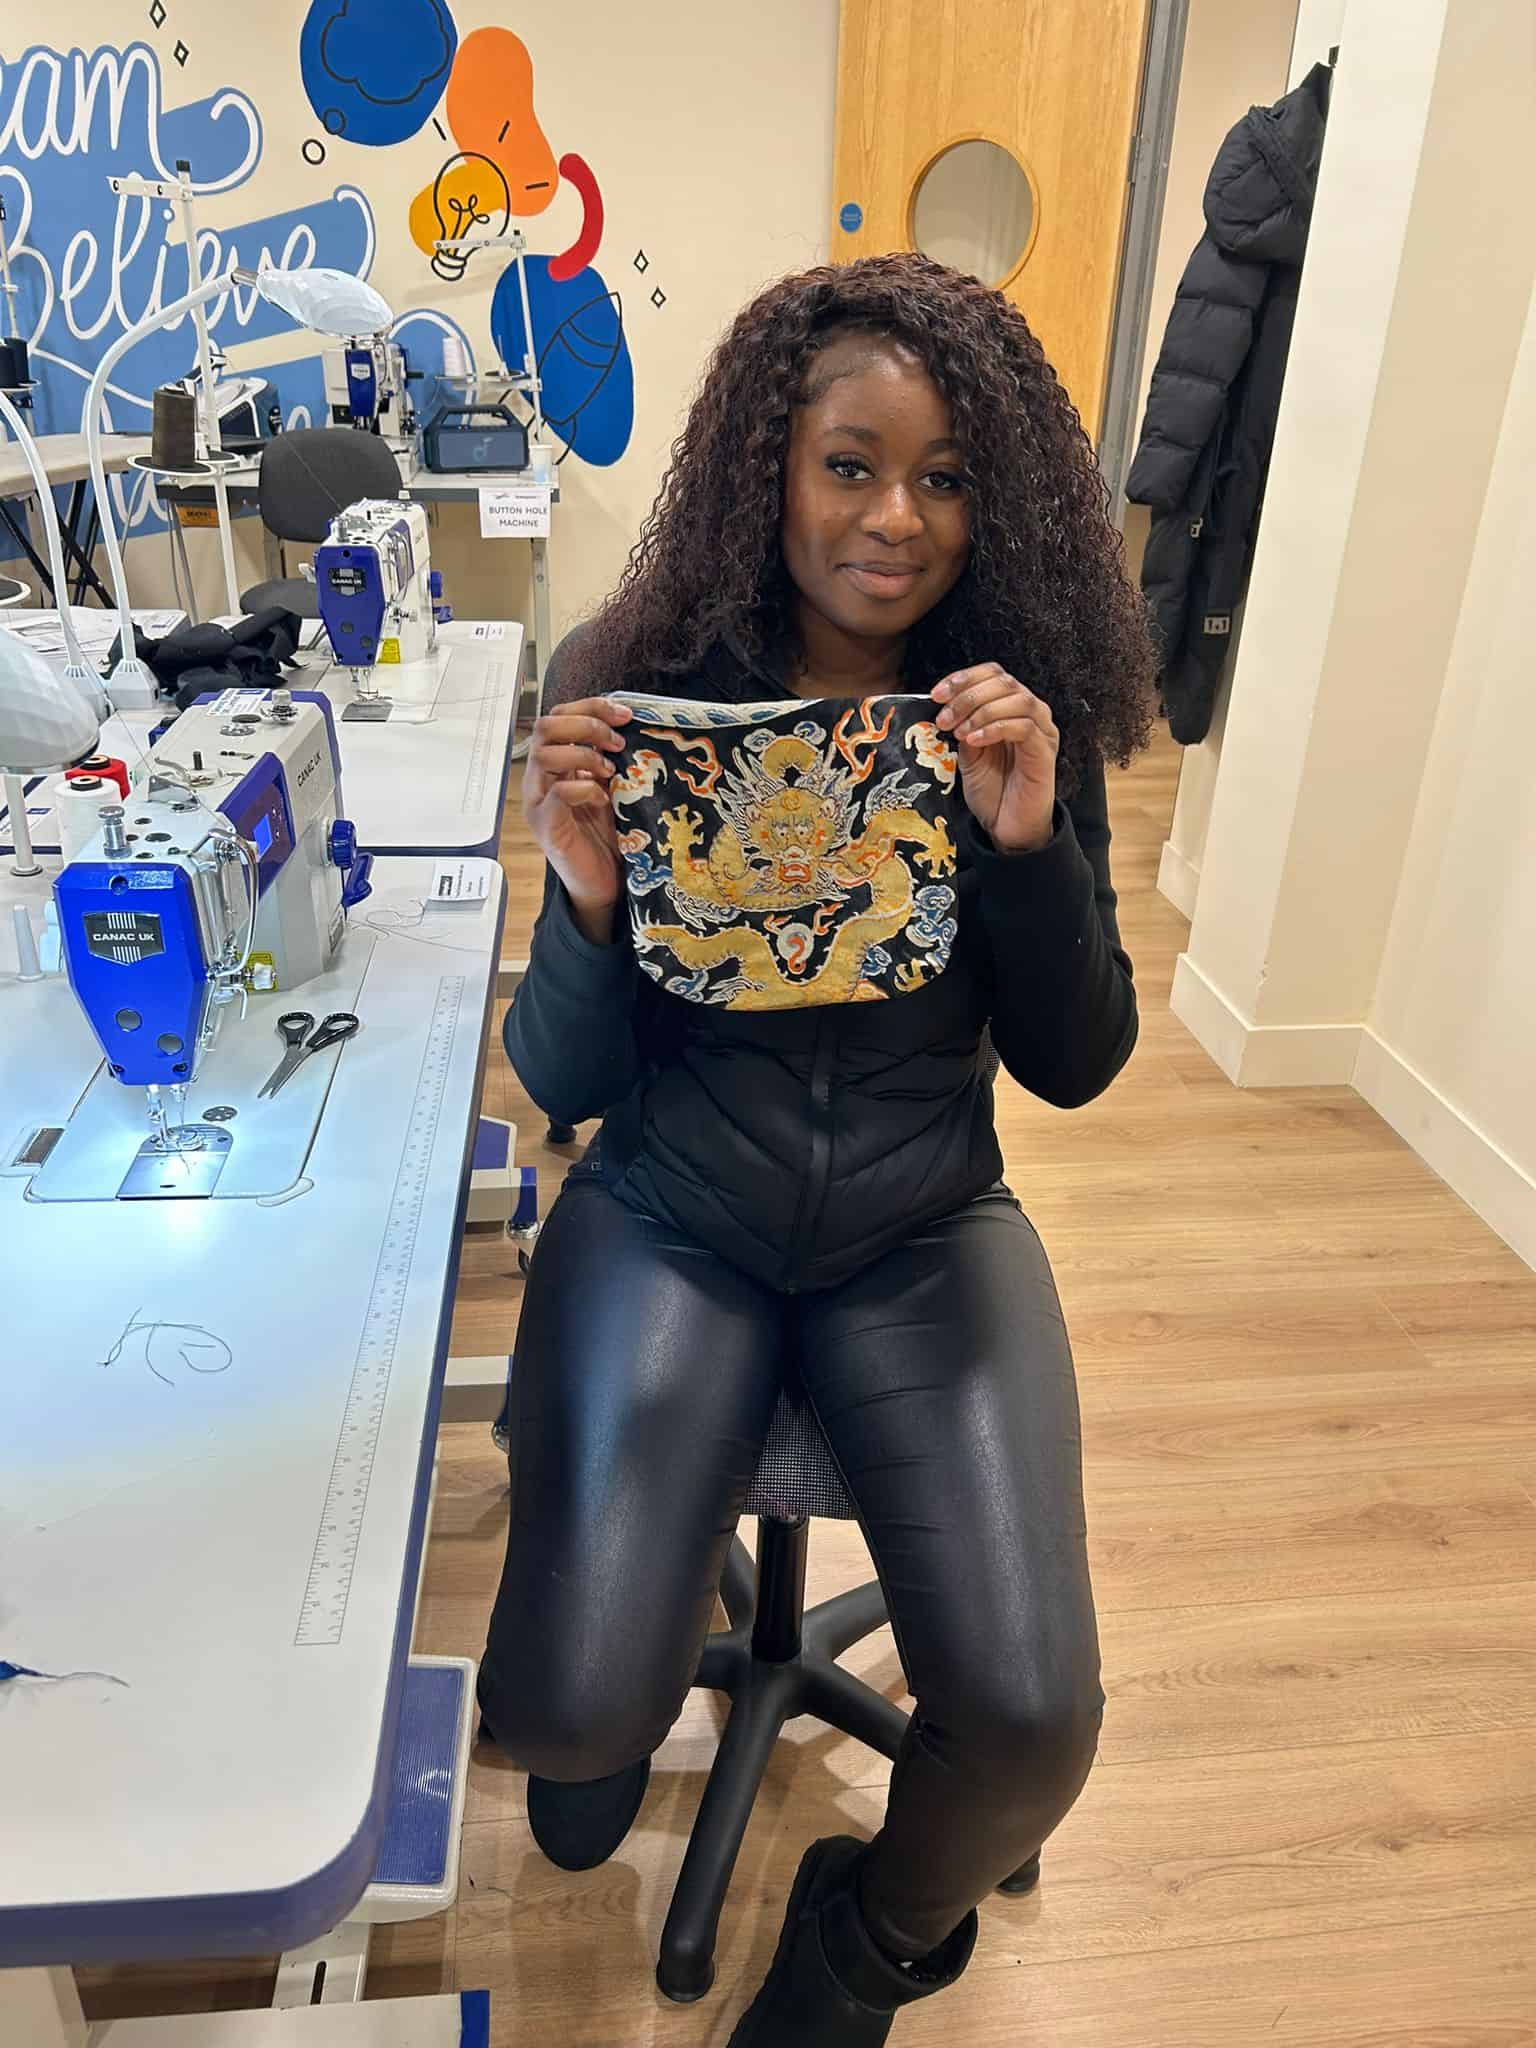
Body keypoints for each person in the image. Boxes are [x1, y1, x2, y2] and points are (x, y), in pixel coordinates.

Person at [479, 251, 1154, 2045]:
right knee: (555, 1717)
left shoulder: (1007, 718)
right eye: (851, 463)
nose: (896, 521)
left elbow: (1079, 1064)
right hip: (673, 1210)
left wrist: (1029, 852)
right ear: (770, 463)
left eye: (943, 479)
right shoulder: (631, 684)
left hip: (926, 1228)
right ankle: (609, 1682)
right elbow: (560, 1077)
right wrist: (586, 902)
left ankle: (857, 1949)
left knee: (1028, 1722)